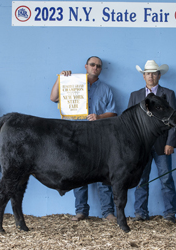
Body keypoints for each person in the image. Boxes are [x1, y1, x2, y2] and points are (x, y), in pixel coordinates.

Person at [50, 56, 117, 221]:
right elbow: (53, 98)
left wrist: (99, 117)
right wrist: (60, 79)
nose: (95, 68)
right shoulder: (71, 83)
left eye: (99, 66)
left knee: (104, 174)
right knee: (78, 174)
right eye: (92, 65)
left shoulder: (107, 89)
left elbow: (113, 113)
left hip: (99, 136)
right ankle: (81, 211)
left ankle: (108, 212)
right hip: (76, 134)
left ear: (101, 69)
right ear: (86, 66)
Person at [128, 60, 176, 223]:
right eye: (148, 73)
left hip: (162, 144)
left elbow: (174, 121)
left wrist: (170, 142)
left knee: (165, 178)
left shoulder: (168, 94)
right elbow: (130, 122)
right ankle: (140, 212)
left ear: (159, 75)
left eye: (154, 73)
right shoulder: (135, 96)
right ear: (143, 76)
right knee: (141, 179)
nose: (151, 76)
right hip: (141, 146)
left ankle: (170, 213)